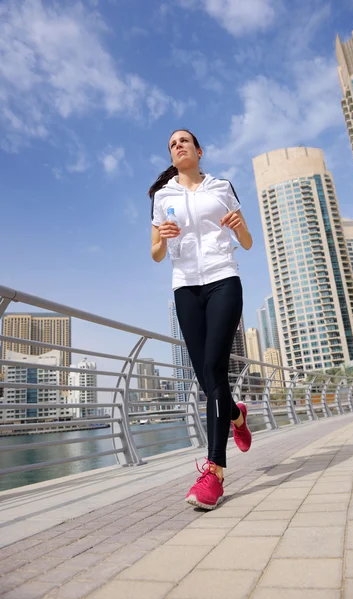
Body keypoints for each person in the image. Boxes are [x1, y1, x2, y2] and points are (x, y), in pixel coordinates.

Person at [149, 129, 253, 510]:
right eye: (172, 143)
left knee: (214, 366)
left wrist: (238, 225)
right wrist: (162, 238)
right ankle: (235, 416)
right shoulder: (163, 198)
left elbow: (247, 242)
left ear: (198, 151)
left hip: (224, 278)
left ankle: (214, 473)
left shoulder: (221, 186)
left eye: (183, 141)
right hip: (186, 288)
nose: (177, 145)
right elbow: (156, 254)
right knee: (208, 379)